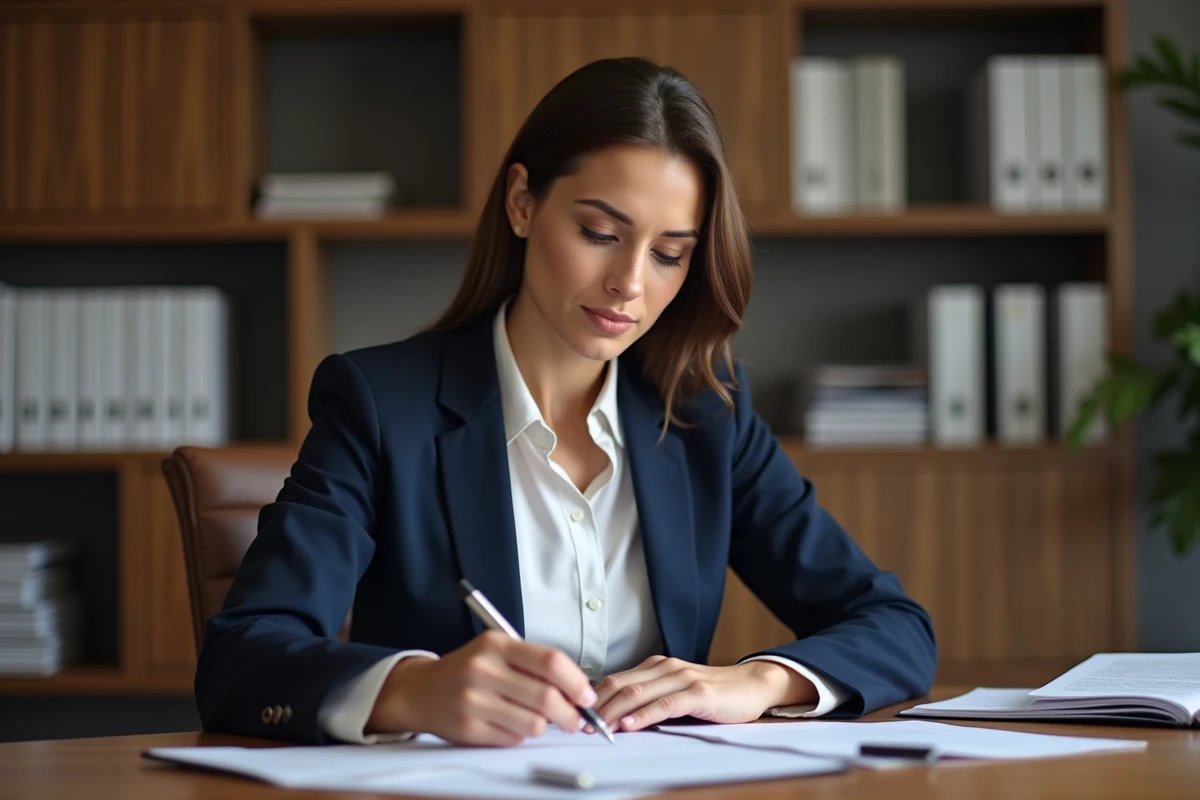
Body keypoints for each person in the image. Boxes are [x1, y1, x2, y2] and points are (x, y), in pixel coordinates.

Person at [195, 56, 937, 747]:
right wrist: (414, 690)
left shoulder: (708, 416)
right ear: (523, 202)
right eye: (599, 233)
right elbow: (241, 657)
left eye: (670, 253)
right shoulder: (382, 406)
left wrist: (756, 681)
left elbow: (895, 627)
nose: (631, 284)